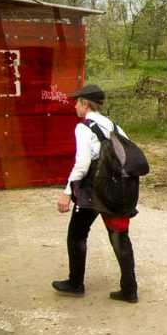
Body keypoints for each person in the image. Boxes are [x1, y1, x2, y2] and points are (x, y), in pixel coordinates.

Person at [52, 84, 139, 303]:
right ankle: (129, 290)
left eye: (77, 101)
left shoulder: (83, 128)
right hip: (116, 191)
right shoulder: (114, 127)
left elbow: (81, 164)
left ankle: (75, 283)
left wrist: (66, 193)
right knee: (120, 238)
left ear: (85, 104)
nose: (74, 105)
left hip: (92, 191)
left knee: (77, 234)